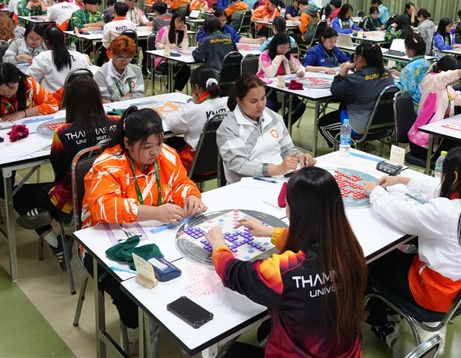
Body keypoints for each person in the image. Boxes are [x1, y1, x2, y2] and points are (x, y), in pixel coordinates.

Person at [82, 107, 206, 354]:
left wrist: (191, 196)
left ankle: (163, 320)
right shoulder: (108, 164)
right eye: (147, 146)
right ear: (128, 143)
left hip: (156, 237)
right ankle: (133, 328)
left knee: (189, 268)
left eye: (158, 143)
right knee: (131, 291)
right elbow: (102, 206)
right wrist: (155, 212)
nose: (155, 152)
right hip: (105, 245)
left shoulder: (166, 155)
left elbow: (181, 183)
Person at [206, 166, 366, 356]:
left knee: (229, 352)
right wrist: (271, 232)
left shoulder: (284, 271)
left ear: (295, 211)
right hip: (347, 352)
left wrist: (218, 245)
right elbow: (312, 239)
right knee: (267, 328)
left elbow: (234, 273)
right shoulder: (349, 248)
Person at [364, 146, 461, 346]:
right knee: (400, 251)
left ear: (455, 177)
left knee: (371, 262)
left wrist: (375, 193)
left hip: (436, 292)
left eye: (444, 173)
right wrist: (401, 180)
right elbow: (437, 188)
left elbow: (400, 213)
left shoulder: (446, 212)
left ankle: (381, 320)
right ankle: (390, 309)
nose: (441, 178)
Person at [14, 72, 118, 269]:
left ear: (70, 101)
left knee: (18, 194)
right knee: (40, 197)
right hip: (110, 191)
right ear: (98, 97)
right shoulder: (116, 123)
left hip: (73, 197)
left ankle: (56, 241)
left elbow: (59, 170)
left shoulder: (63, 133)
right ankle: (45, 212)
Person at [217, 75, 315, 184]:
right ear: (239, 100)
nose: (260, 105)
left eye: (263, 98)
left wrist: (299, 156)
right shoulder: (228, 127)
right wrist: (276, 169)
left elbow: (287, 149)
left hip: (279, 179)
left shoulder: (274, 118)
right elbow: (238, 164)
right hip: (247, 185)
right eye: (253, 101)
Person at [318, 43, 396, 147]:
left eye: (354, 57)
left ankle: (346, 149)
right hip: (384, 126)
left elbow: (335, 89)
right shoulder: (387, 75)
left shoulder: (355, 80)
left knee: (323, 124)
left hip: (360, 126)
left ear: (359, 58)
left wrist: (345, 69)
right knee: (345, 105)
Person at [407, 57, 461, 158]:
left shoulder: (448, 88)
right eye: (453, 78)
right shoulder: (431, 80)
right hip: (422, 143)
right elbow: (452, 75)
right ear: (441, 71)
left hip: (438, 138)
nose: (453, 82)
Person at [164, 66, 229, 170]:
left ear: (196, 88)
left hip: (194, 164)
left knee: (165, 144)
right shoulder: (228, 103)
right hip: (222, 162)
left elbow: (170, 123)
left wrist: (192, 103)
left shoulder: (191, 110)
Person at [258, 33, 306, 124]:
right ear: (275, 46)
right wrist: (278, 58)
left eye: (287, 48)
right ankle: (270, 128)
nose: (284, 50)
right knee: (271, 108)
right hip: (267, 89)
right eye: (281, 48)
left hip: (283, 89)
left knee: (299, 107)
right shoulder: (264, 55)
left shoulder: (287, 55)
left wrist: (300, 71)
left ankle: (283, 126)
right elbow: (270, 74)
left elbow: (298, 66)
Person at [29, 26, 90, 95]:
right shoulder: (80, 56)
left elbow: (29, 82)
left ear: (45, 41)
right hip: (79, 98)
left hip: (53, 100)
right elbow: (89, 78)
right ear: (64, 39)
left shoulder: (42, 57)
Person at [94, 35, 145, 102]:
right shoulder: (101, 74)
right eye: (121, 57)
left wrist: (117, 100)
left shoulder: (136, 70)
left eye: (129, 57)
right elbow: (105, 102)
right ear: (112, 54)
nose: (124, 61)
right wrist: (128, 96)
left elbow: (140, 96)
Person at [156, 10, 192, 91]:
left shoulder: (181, 32)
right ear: (173, 21)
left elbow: (184, 47)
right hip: (163, 60)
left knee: (186, 69)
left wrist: (185, 32)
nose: (180, 25)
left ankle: (175, 90)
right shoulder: (164, 30)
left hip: (177, 60)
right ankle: (169, 88)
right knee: (172, 68)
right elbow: (157, 46)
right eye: (177, 22)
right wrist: (167, 46)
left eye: (182, 22)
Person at [398, 33, 431, 111]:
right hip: (429, 104)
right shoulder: (427, 63)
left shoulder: (407, 69)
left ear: (411, 50)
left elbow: (405, 93)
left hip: (414, 108)